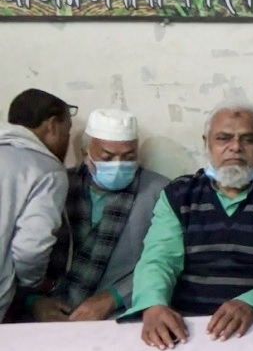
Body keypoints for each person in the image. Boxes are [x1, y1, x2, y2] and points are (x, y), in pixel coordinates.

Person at [119, 100, 253, 351]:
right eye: (223, 138)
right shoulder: (179, 194)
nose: (236, 147)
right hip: (188, 327)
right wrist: (153, 305)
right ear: (207, 143)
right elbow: (159, 260)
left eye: (248, 139)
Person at [28, 109, 169, 322]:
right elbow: (26, 252)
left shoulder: (159, 191)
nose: (119, 164)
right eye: (107, 157)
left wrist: (114, 297)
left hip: (120, 314)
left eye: (129, 157)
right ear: (86, 154)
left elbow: (165, 259)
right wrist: (34, 301)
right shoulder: (58, 186)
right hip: (53, 311)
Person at [0, 88, 75, 322]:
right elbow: (31, 247)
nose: (67, 141)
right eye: (67, 132)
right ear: (52, 125)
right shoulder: (46, 170)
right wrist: (33, 284)